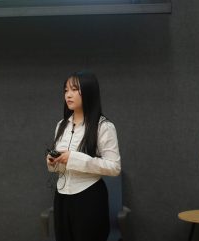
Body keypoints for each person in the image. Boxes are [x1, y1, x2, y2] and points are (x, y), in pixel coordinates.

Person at [46, 71, 121, 241]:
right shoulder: (61, 125)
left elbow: (114, 168)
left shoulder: (104, 126)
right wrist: (53, 162)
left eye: (74, 89)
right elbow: (58, 167)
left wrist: (74, 158)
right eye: (65, 90)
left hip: (89, 197)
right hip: (62, 197)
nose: (68, 95)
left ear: (88, 92)